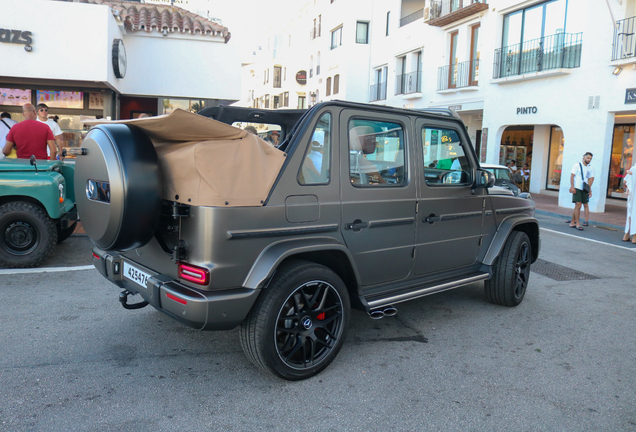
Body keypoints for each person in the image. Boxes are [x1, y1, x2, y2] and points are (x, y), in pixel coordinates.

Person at [568, 152, 594, 231]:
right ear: (584, 157)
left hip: (584, 189)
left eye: (590, 158)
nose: (589, 159)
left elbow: (590, 179)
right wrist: (572, 187)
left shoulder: (590, 168)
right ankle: (577, 224)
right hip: (577, 188)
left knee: (578, 206)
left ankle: (572, 222)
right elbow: (572, 176)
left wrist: (590, 190)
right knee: (578, 205)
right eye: (588, 158)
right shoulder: (577, 165)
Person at [622, 165, 636, 243]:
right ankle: (634, 237)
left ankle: (626, 235)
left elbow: (625, 181)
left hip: (631, 196)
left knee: (630, 215)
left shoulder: (633, 168)